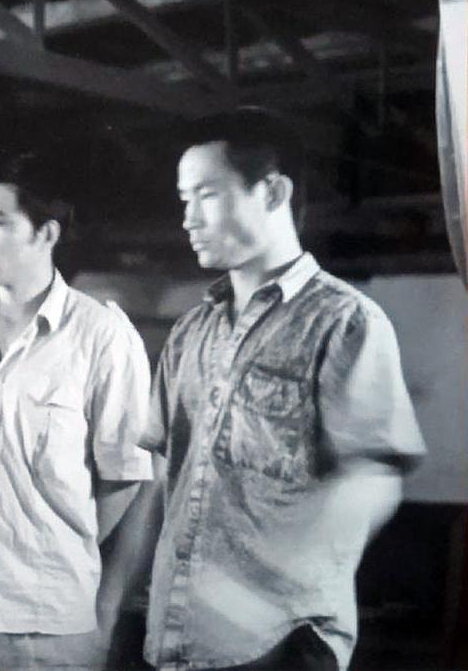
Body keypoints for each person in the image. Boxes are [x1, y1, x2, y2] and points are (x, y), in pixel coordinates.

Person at [140, 108, 427, 671]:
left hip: (280, 644)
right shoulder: (190, 332)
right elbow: (158, 479)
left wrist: (263, 588)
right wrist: (113, 601)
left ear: (273, 192)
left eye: (207, 195)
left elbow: (372, 475)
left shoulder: (344, 321)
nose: (188, 219)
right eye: (184, 199)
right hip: (175, 640)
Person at [0, 153, 154, 670]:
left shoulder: (101, 336)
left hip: (47, 617)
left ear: (46, 233)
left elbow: (124, 476)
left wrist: (52, 552)